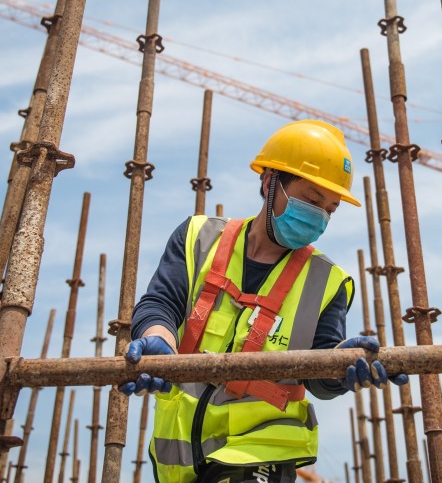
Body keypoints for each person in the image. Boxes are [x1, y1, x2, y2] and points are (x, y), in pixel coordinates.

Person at [122, 119, 408, 483]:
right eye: (311, 199)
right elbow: (162, 302)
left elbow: (319, 378)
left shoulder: (327, 282)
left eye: (330, 209)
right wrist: (158, 340)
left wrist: (340, 366)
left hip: (264, 451)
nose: (319, 216)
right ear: (270, 180)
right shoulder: (199, 236)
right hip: (177, 460)